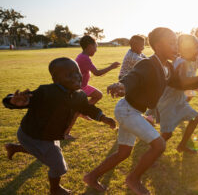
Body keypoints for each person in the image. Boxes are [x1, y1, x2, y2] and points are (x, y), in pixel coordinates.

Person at [83, 27, 198, 195]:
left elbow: (180, 85)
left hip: (132, 111)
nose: (176, 47)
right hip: (127, 110)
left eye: (176, 43)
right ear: (157, 45)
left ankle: (91, 177)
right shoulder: (148, 63)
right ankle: (133, 179)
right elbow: (134, 77)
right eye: (171, 43)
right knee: (159, 144)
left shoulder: (168, 68)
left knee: (123, 153)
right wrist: (122, 85)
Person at [3, 57, 116, 195]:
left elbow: (88, 108)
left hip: (47, 136)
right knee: (58, 165)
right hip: (32, 134)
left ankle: (13, 147)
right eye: (69, 74)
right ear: (56, 79)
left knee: (44, 152)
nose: (76, 76)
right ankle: (55, 189)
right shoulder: (46, 91)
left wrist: (104, 118)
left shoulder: (79, 95)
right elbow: (26, 100)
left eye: (77, 72)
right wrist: (13, 101)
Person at [154, 34, 198, 154]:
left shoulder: (188, 61)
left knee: (195, 119)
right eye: (196, 47)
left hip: (179, 98)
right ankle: (152, 153)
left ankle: (182, 146)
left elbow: (187, 82)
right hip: (169, 101)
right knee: (167, 134)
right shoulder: (182, 62)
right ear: (187, 49)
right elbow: (183, 82)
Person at [64, 35, 120, 139]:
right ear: (89, 46)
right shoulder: (84, 58)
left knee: (98, 95)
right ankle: (66, 133)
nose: (96, 49)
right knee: (76, 112)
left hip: (84, 86)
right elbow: (97, 73)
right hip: (78, 89)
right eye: (95, 46)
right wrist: (111, 67)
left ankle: (84, 111)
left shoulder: (83, 56)